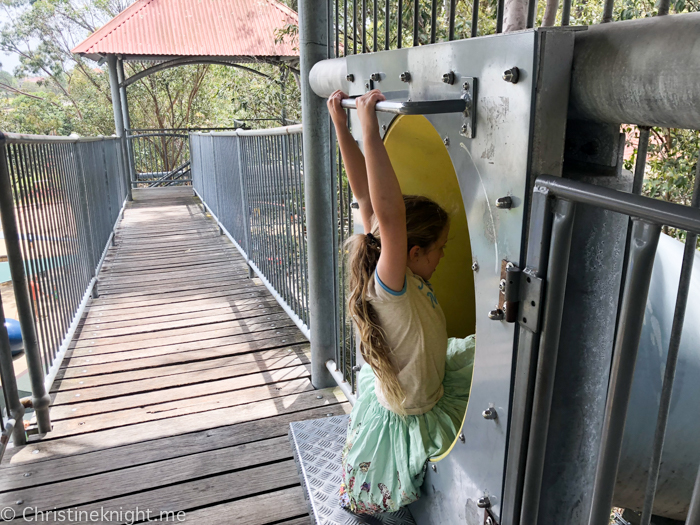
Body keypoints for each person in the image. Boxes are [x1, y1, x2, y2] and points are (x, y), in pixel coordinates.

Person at [327, 89, 475, 514]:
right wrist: (369, 130)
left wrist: (343, 125)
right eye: (440, 248)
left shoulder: (390, 262)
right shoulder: (391, 283)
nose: (443, 255)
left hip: (420, 379)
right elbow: (391, 217)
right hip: (415, 407)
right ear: (413, 252)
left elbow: (365, 197)